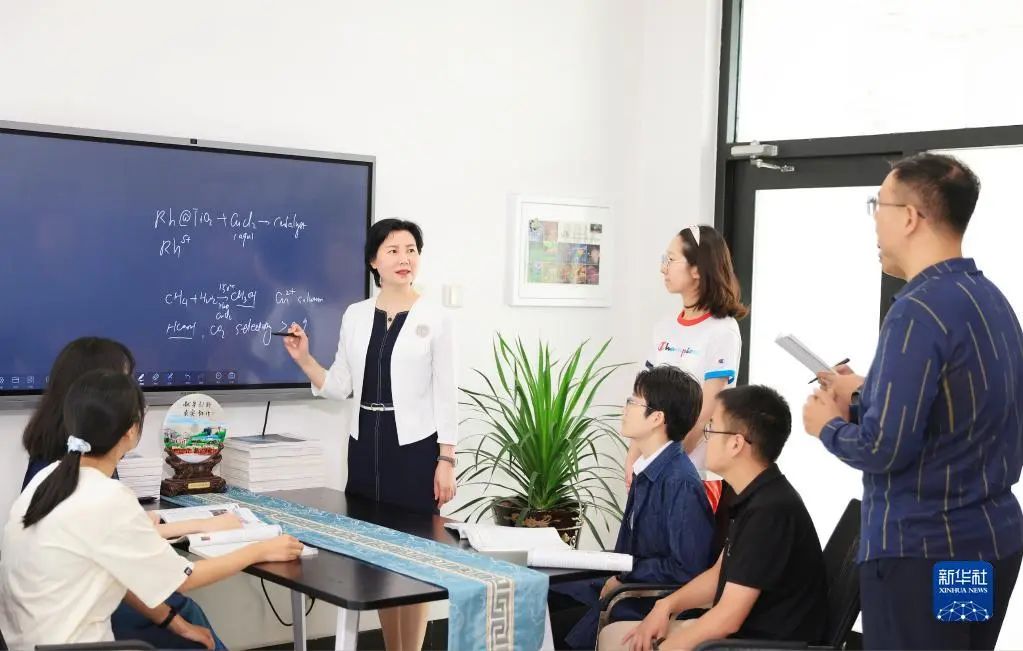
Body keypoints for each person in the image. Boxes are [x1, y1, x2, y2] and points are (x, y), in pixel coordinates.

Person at [803, 153, 1023, 650]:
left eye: (877, 205)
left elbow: (882, 448)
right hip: (984, 546)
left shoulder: (916, 311)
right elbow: (970, 408)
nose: (874, 221)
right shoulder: (991, 300)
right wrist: (868, 391)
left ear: (908, 217)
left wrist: (826, 425)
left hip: (920, 552)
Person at [0, 370, 305, 649]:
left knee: (187, 623)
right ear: (132, 430)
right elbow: (185, 578)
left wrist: (175, 623)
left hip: (27, 644)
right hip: (76, 645)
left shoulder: (48, 476)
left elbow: (118, 573)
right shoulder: (108, 496)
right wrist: (260, 550)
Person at [283, 218, 457, 651]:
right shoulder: (356, 315)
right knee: (376, 557)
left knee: (414, 559)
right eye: (393, 250)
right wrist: (305, 360)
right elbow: (340, 385)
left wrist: (446, 459)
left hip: (414, 449)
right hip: (365, 447)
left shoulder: (435, 317)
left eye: (411, 249)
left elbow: (446, 393)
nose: (404, 258)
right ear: (373, 261)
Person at [19, 336, 238, 648]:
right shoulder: (84, 477)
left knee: (179, 612)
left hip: (39, 627)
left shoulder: (58, 468)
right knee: (183, 608)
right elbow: (182, 577)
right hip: (71, 628)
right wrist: (262, 549)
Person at [602, 385, 827, 651]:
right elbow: (718, 574)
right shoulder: (755, 496)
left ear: (736, 443)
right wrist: (666, 605)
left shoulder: (770, 511)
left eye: (711, 428)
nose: (705, 438)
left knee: (622, 642)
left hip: (759, 645)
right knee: (617, 636)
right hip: (739, 638)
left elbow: (727, 619)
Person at [548, 365, 716, 649]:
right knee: (546, 590)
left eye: (633, 402)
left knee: (550, 621)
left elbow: (686, 567)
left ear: (657, 418)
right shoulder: (649, 468)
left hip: (644, 597)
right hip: (628, 582)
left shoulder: (679, 482)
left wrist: (625, 576)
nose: (624, 409)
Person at [627, 225, 747, 513]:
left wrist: (669, 460)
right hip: (652, 465)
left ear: (697, 269)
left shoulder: (723, 330)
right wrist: (634, 456)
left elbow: (708, 407)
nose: (663, 268)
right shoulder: (664, 328)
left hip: (694, 473)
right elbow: (645, 397)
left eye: (670, 260)